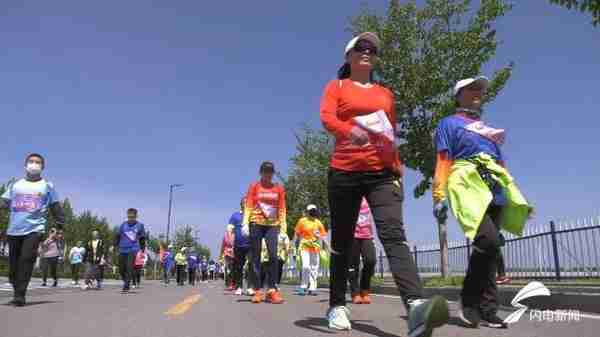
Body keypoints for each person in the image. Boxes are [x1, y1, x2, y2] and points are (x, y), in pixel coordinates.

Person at [320, 32, 449, 334]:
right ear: (349, 56)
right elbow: (327, 118)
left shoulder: (385, 94)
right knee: (341, 242)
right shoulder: (337, 86)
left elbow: (390, 133)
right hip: (344, 172)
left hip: (382, 173)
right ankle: (337, 305)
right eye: (361, 47)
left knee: (393, 235)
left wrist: (397, 170)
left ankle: (416, 306)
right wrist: (348, 130)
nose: (368, 51)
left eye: (373, 49)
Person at [433, 76, 532, 329]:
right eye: (472, 88)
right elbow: (444, 159)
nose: (478, 92)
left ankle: (488, 310)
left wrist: (513, 197)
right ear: (458, 95)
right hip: (466, 184)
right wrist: (439, 195)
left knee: (491, 249)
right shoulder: (448, 124)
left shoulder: (489, 131)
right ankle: (468, 301)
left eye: (480, 89)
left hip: (495, 187)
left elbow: (501, 166)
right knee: (486, 240)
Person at [0, 153, 66, 306]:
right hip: (14, 229)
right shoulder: (16, 185)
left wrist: (60, 224)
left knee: (27, 260)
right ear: (25, 165)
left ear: (42, 167)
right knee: (13, 267)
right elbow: (4, 201)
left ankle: (20, 296)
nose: (34, 164)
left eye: (38, 162)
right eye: (31, 161)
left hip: (34, 229)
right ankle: (16, 288)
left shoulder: (47, 186)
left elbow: (55, 206)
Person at [242, 161, 286, 304]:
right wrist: (245, 224)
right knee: (256, 257)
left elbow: (282, 209)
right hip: (256, 223)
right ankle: (257, 290)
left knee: (274, 256)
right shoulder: (254, 186)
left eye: (270, 171)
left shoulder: (279, 188)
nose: (268, 174)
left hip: (272, 225)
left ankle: (272, 290)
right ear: (260, 172)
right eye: (265, 171)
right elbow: (248, 205)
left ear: (273, 173)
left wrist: (283, 229)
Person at [294, 205, 327, 296]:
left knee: (314, 268)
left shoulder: (318, 223)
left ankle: (312, 288)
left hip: (315, 248)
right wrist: (294, 247)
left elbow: (323, 236)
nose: (312, 212)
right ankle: (303, 286)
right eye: (311, 211)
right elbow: (296, 234)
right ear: (307, 211)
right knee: (305, 267)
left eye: (314, 211)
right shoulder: (302, 221)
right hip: (304, 247)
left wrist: (325, 248)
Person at [348, 198, 377, 305]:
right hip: (351, 236)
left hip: (367, 235)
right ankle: (355, 293)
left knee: (371, 260)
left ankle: (365, 289)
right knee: (352, 265)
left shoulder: (369, 197)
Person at [114, 208, 146, 293]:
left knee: (129, 267)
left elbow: (142, 238)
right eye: (129, 216)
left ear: (136, 216)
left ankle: (126, 286)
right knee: (121, 269)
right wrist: (114, 245)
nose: (131, 218)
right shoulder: (123, 225)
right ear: (127, 216)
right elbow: (117, 236)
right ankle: (126, 281)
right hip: (122, 249)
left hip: (133, 249)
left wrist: (142, 250)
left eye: (133, 217)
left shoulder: (140, 225)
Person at [231, 198, 252, 295]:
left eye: (247, 203)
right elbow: (230, 230)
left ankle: (250, 287)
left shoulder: (252, 215)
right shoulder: (235, 216)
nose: (246, 204)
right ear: (241, 204)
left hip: (251, 244)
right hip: (238, 245)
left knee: (251, 265)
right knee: (239, 266)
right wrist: (231, 243)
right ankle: (239, 287)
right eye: (244, 203)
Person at [219, 224, 235, 290]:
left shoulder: (235, 235)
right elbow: (223, 246)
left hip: (234, 253)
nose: (231, 230)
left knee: (234, 269)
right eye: (231, 228)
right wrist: (221, 254)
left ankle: (233, 283)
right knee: (229, 269)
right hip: (227, 254)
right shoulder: (225, 236)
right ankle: (230, 283)